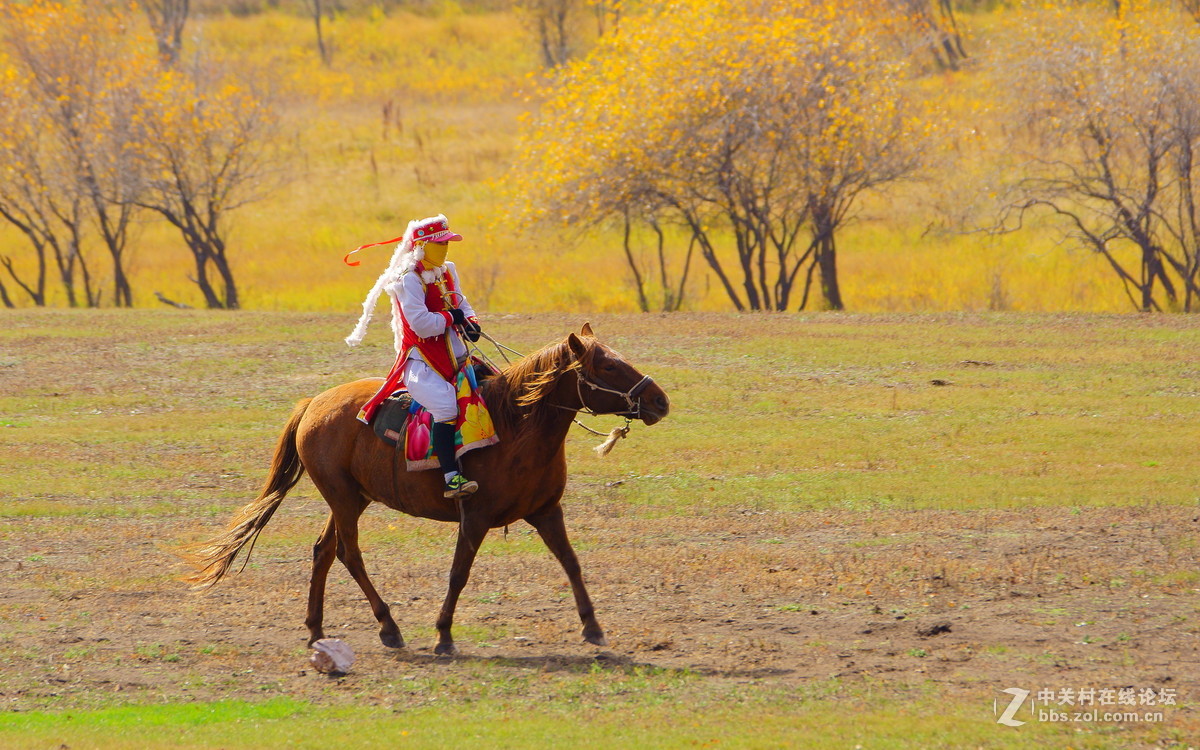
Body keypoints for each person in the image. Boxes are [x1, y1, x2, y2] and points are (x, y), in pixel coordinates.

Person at [344, 214, 484, 498]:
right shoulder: (407, 279)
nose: (445, 250)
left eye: (446, 244)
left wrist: (470, 320)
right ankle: (450, 477)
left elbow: (462, 300)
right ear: (421, 246)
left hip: (456, 357)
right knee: (446, 407)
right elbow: (420, 323)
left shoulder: (447, 270)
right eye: (439, 245)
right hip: (421, 363)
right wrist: (452, 317)